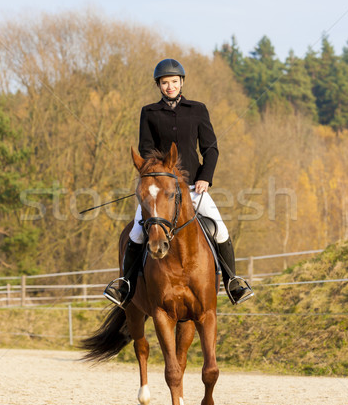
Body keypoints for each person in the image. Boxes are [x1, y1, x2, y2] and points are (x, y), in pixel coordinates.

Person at [104, 58, 253, 308]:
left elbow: (211, 149)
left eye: (174, 81)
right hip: (162, 191)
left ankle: (232, 283)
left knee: (221, 229)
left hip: (194, 187)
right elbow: (146, 151)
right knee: (137, 233)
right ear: (159, 85)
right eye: (165, 82)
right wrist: (154, 183)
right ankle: (125, 286)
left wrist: (205, 177)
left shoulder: (198, 109)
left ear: (181, 82)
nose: (170, 86)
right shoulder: (149, 112)